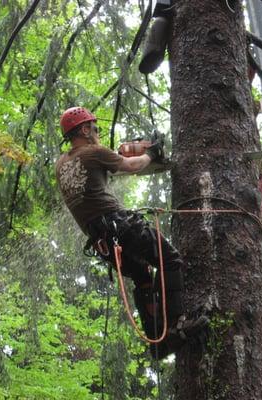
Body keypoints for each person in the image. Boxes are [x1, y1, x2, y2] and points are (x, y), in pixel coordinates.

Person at [55, 106, 208, 359]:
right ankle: (178, 324)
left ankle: (158, 340)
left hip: (101, 241)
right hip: (118, 224)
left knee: (142, 276)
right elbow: (133, 165)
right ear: (84, 129)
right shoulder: (93, 152)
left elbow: (94, 177)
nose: (97, 132)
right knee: (169, 260)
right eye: (94, 128)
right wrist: (151, 153)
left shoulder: (62, 163)